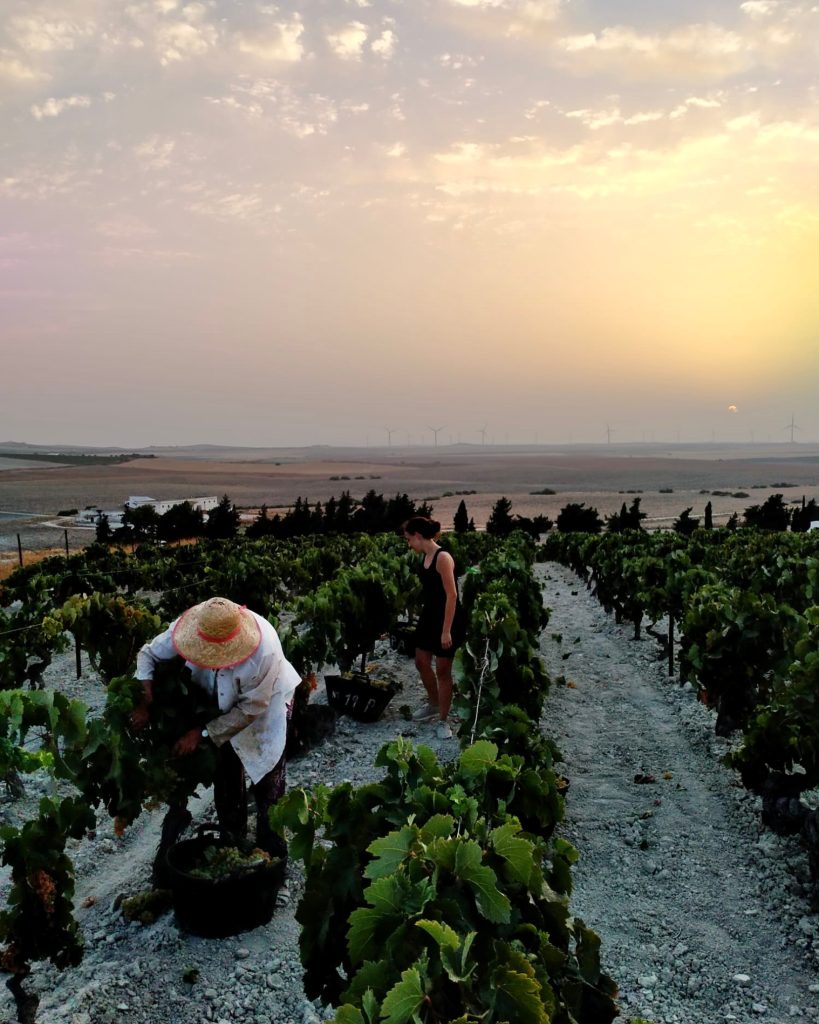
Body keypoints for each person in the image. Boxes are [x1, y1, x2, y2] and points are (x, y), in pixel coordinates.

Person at [133, 596, 300, 862]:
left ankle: (272, 846)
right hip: (217, 708)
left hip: (265, 708)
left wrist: (201, 733)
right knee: (226, 773)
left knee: (268, 773)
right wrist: (145, 696)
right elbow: (148, 654)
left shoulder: (264, 650)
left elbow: (251, 709)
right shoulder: (189, 627)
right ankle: (232, 838)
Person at [402, 516, 466, 739]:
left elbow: (452, 595)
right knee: (421, 661)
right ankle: (433, 702)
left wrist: (446, 630)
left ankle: (443, 721)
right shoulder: (426, 556)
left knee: (442, 670)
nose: (409, 544)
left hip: (447, 617)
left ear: (418, 536)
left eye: (409, 539)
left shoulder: (443, 558)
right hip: (429, 616)